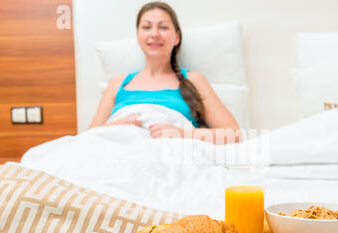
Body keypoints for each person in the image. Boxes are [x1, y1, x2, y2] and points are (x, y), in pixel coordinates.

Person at [89, 1, 242, 145]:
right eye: (147, 27)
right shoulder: (117, 83)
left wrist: (180, 133)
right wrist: (113, 127)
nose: (154, 34)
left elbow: (233, 134)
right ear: (138, 36)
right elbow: (88, 137)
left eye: (163, 27)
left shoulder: (194, 80)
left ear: (177, 37)